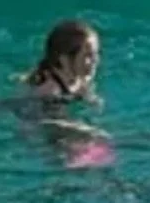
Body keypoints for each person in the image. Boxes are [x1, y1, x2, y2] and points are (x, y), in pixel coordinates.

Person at [14, 19, 115, 169]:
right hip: (39, 129)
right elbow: (43, 123)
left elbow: (85, 91)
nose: (95, 61)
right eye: (87, 56)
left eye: (96, 54)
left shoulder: (79, 77)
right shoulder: (50, 91)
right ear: (64, 59)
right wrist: (83, 130)